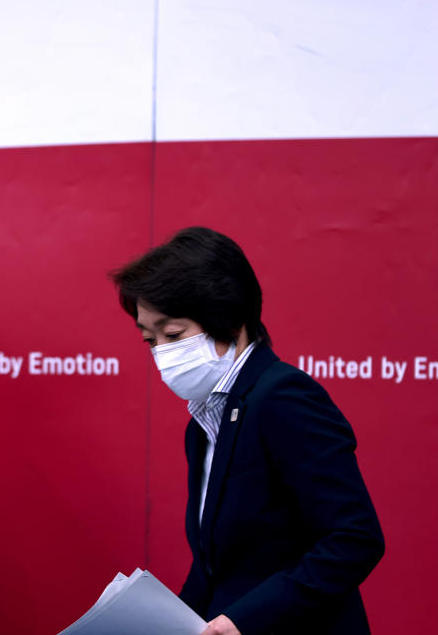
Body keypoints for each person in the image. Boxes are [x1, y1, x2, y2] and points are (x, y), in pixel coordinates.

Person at [110, 227, 384, 635]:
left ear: (229, 320)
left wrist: (245, 619)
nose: (162, 354)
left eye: (173, 335)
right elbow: (216, 569)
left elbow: (354, 538)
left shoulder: (283, 397)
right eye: (151, 340)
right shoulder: (203, 422)